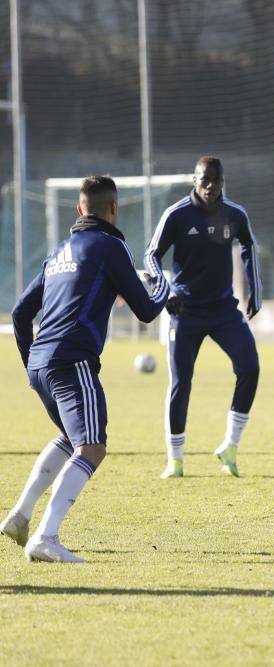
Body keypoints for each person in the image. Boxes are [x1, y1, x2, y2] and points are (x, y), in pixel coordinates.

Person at [1, 176, 169, 563]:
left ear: (79, 209)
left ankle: (20, 515)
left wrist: (33, 363)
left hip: (41, 362)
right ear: (114, 208)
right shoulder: (111, 245)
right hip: (72, 359)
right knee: (91, 446)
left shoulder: (61, 249)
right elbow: (146, 309)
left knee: (68, 436)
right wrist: (163, 285)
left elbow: (22, 312)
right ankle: (45, 536)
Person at [144, 156, 262, 479]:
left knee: (250, 368)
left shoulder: (234, 214)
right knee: (181, 383)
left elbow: (250, 246)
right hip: (185, 311)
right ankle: (175, 461)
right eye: (205, 180)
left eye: (218, 180)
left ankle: (231, 447)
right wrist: (164, 291)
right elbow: (151, 255)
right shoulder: (177, 215)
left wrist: (255, 290)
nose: (212, 186)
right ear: (194, 181)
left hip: (224, 309)